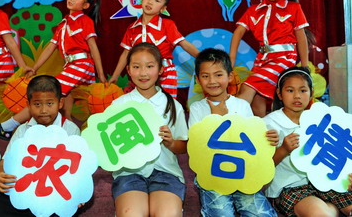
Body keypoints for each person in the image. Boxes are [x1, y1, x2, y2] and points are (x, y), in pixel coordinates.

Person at [0, 0, 106, 138]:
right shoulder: (63, 24)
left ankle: (9, 126)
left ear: (85, 5)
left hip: (82, 64)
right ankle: (69, 131)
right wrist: (35, 67)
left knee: (49, 92)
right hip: (71, 65)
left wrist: (101, 74)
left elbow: (93, 47)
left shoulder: (84, 21)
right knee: (69, 96)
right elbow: (50, 47)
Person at [0, 75, 80, 216]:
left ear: (60, 103)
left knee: (66, 205)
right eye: (37, 104)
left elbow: (77, 170)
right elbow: (3, 164)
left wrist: (77, 191)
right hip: (25, 188)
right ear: (28, 105)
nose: (43, 110)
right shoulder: (23, 130)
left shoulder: (71, 129)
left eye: (49, 103)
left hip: (53, 191)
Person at [188, 48, 278, 216]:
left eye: (218, 75)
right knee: (222, 213)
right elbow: (196, 147)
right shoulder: (197, 108)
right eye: (205, 76)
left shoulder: (242, 105)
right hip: (212, 176)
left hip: (243, 173)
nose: (212, 81)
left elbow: (253, 142)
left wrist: (267, 139)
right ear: (198, 79)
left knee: (259, 213)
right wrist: (216, 119)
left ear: (230, 76)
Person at [110, 42, 188, 216]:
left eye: (150, 66)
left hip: (165, 173)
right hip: (129, 174)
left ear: (160, 69)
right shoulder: (119, 105)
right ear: (128, 70)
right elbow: (109, 149)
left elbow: (183, 146)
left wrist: (171, 143)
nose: (143, 73)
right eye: (136, 67)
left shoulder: (173, 105)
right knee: (132, 214)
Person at [264, 66, 352, 216]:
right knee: (319, 213)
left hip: (327, 182)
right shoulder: (269, 124)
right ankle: (330, 209)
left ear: (311, 93)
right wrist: (283, 150)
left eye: (303, 90)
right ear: (279, 93)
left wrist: (347, 175)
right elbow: (261, 168)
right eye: (290, 90)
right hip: (291, 187)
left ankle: (332, 208)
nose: (297, 96)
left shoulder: (321, 119)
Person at [229, 0, 309, 117]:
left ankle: (230, 122)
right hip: (262, 58)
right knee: (257, 98)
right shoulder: (253, 10)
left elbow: (301, 37)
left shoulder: (293, 8)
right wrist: (231, 60)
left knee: (247, 87)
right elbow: (238, 32)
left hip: (284, 58)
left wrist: (304, 66)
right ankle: (261, 133)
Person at [108, 0, 199, 99]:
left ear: (163, 8)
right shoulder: (132, 28)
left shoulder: (167, 25)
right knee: (143, 106)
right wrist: (115, 76)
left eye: (157, 0)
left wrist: (204, 58)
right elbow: (126, 53)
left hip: (165, 74)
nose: (150, 2)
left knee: (166, 105)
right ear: (142, 0)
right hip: (142, 74)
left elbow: (184, 44)